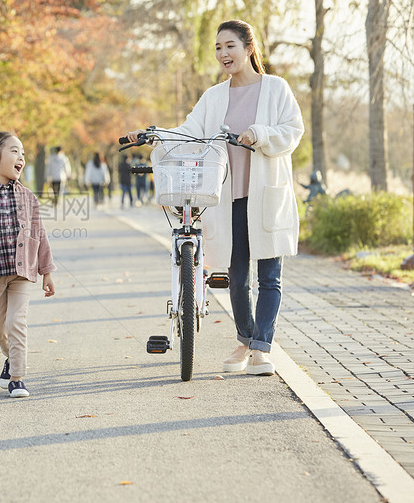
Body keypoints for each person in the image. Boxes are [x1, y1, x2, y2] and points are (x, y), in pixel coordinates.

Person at [124, 19, 304, 376]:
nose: (223, 54)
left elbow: (292, 131)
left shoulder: (276, 88)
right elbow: (190, 131)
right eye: (218, 48)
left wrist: (260, 133)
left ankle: (260, 349)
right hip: (229, 198)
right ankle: (245, 340)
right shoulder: (214, 96)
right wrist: (153, 133)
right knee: (236, 277)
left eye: (230, 46)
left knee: (270, 277)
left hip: (265, 195)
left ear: (249, 48)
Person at [0, 131, 57, 398]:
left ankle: (17, 378)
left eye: (23, 154)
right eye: (15, 151)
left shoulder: (28, 197)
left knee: (16, 322)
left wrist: (47, 271)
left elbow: (40, 235)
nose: (21, 158)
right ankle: (11, 359)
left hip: (22, 273)